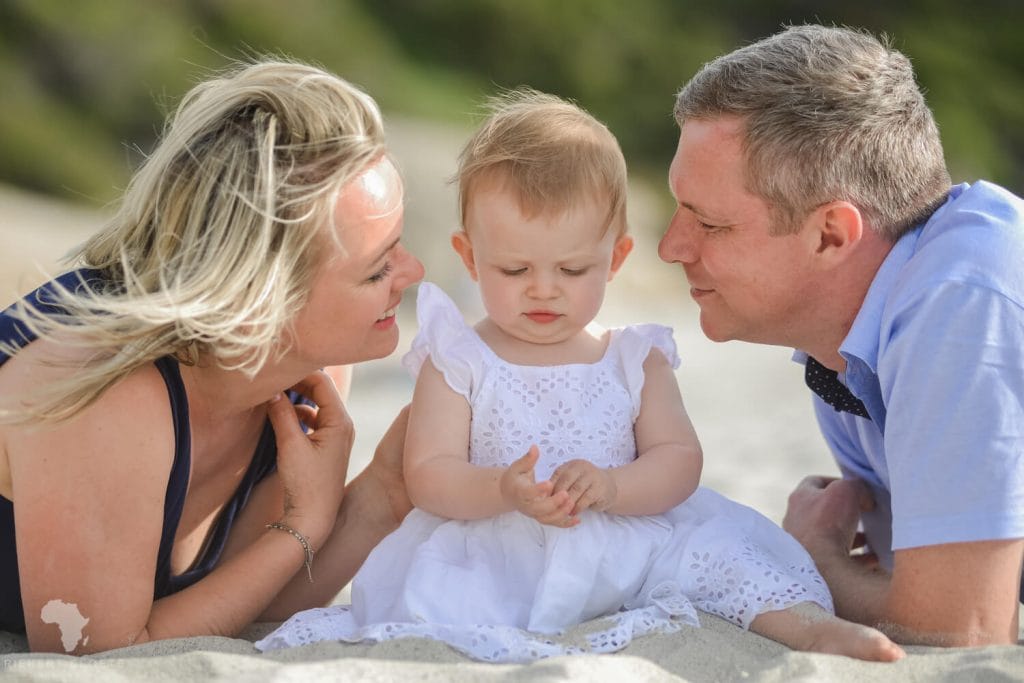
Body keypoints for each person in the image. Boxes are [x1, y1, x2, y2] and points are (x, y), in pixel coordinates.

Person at [257, 88, 904, 662]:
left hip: (626, 535)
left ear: (616, 256)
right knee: (441, 597)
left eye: (572, 270)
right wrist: (501, 489)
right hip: (497, 547)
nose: (544, 290)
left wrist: (614, 485)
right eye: (514, 270)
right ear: (469, 256)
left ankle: (811, 630)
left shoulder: (634, 355)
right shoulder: (459, 356)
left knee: (720, 553)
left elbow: (680, 460)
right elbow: (428, 473)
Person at [0, 58, 426, 653]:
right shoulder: (106, 388)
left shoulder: (307, 364)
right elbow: (102, 653)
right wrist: (302, 524)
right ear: (263, 297)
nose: (414, 272)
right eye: (378, 268)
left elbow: (243, 599)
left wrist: (383, 494)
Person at [659, 24, 1024, 647]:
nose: (671, 247)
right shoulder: (843, 349)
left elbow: (959, 624)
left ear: (831, 234)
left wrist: (813, 559)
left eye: (711, 224)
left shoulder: (961, 300)